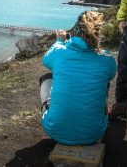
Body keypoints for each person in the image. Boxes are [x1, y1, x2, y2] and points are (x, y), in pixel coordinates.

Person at [39, 11, 116, 145]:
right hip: (94, 133)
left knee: (46, 78)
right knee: (103, 83)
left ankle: (57, 114)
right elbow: (111, 75)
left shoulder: (59, 52)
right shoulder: (106, 59)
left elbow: (46, 60)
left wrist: (59, 41)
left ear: (74, 31)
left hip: (55, 130)